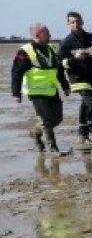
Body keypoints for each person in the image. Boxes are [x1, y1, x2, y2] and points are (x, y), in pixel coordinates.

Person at [11, 23, 71, 153]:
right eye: (47, 33)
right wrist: (16, 93)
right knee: (46, 121)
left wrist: (65, 85)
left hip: (51, 89)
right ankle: (53, 149)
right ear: (38, 35)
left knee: (57, 119)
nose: (50, 35)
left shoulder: (51, 48)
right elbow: (16, 72)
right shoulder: (25, 51)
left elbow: (59, 69)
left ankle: (35, 132)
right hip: (36, 92)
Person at [59, 11, 92, 151]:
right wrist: (75, 59)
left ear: (82, 22)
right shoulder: (66, 43)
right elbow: (61, 64)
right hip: (77, 78)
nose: (76, 24)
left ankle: (83, 135)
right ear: (68, 24)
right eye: (72, 22)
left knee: (85, 105)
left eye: (78, 21)